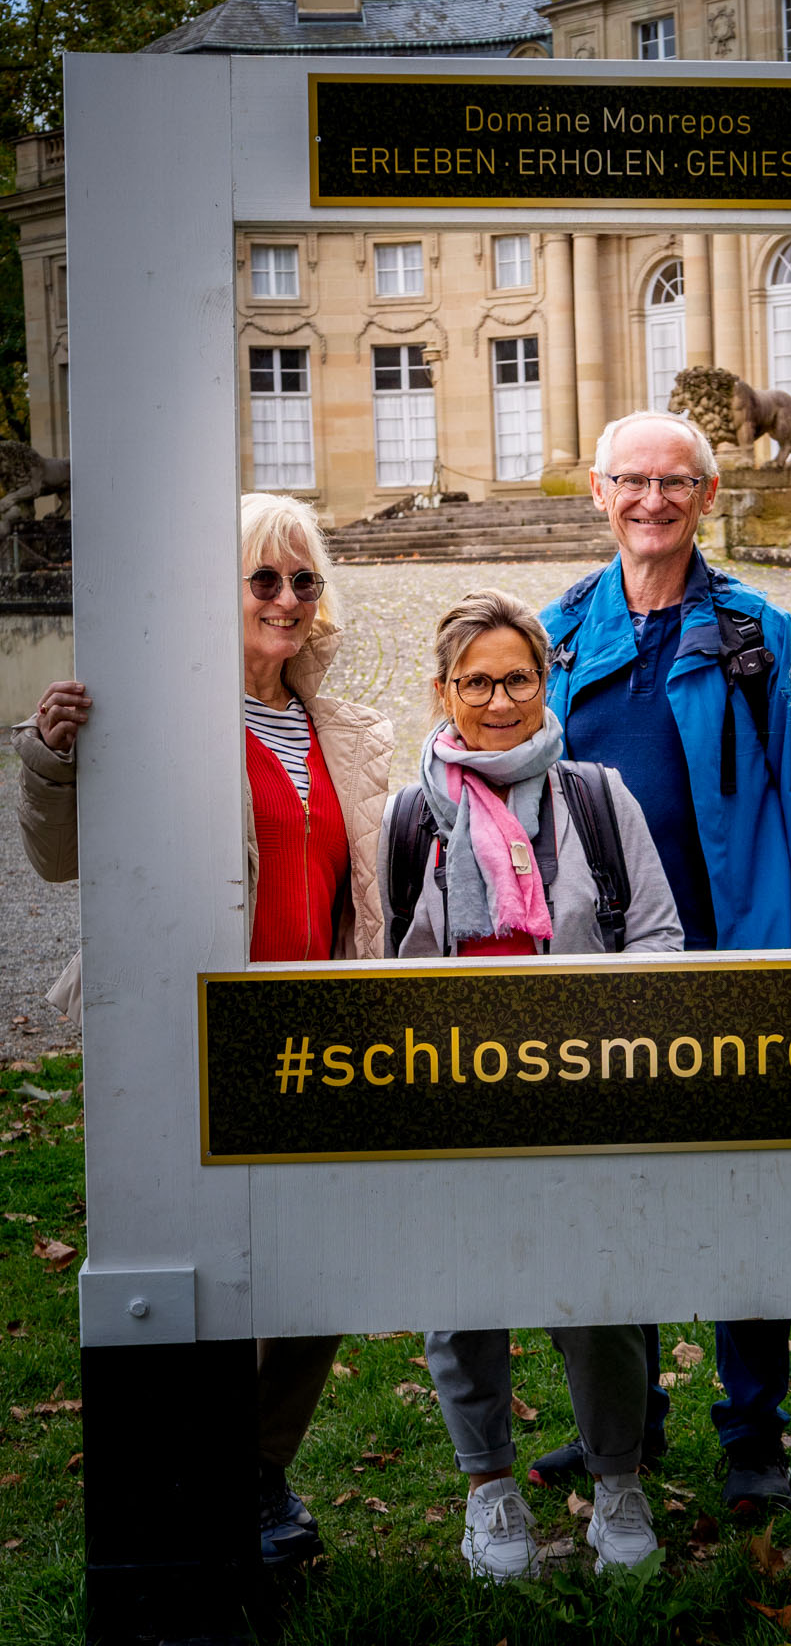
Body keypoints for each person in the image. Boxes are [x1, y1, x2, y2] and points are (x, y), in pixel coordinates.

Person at [12, 492, 393, 1565]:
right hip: (193, 1035)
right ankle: (201, 1485)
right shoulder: (163, 714)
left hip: (317, 1039)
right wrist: (49, 757)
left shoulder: (344, 731)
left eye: (303, 580)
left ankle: (257, 1467)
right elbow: (58, 859)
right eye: (262, 577)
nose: (287, 598)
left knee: (318, 1270)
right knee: (206, 1270)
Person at [537, 410, 791, 1516]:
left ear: (707, 496)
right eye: (632, 480)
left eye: (675, 482)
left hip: (734, 950)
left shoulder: (759, 630)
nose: (652, 500)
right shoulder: (558, 632)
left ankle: (752, 1430)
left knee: (740, 1196)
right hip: (599, 968)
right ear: (599, 491)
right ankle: (625, 1420)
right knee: (607, 1193)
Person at [381, 587, 681, 1581]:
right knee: (461, 1297)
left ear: (546, 681)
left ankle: (618, 1479)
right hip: (457, 1099)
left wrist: (588, 1037)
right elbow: (386, 966)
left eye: (517, 679)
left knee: (598, 1293)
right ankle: (489, 1490)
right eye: (476, 683)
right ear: (443, 690)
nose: (500, 701)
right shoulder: (409, 816)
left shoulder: (597, 797)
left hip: (585, 1093)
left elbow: (658, 937)